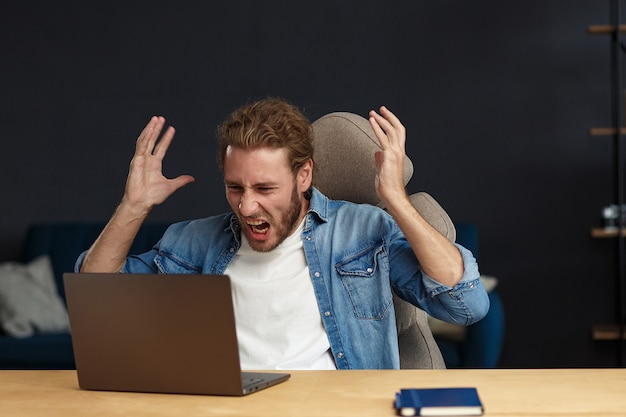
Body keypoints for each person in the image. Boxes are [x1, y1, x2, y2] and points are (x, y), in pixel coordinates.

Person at [76, 97, 489, 370]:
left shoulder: (363, 231)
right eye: (235, 187)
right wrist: (133, 208)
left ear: (304, 175)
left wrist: (396, 199)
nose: (246, 206)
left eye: (265, 189)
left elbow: (467, 305)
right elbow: (97, 304)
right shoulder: (194, 242)